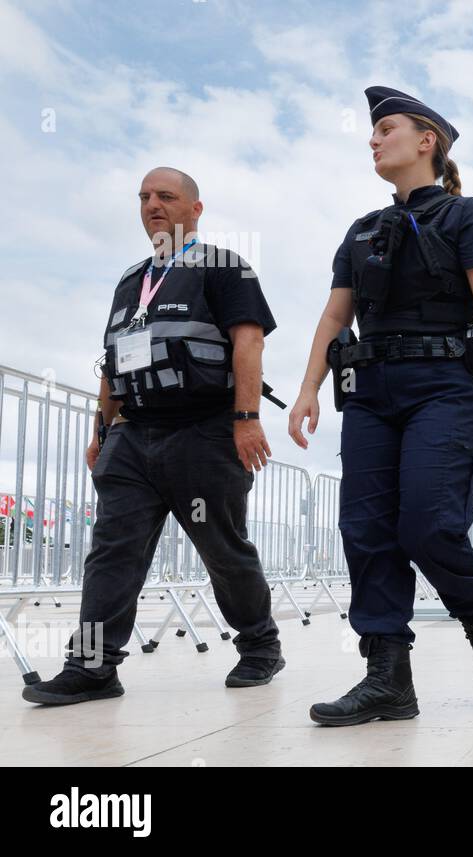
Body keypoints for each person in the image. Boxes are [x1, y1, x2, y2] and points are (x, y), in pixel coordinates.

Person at [289, 87, 473, 726]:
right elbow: (335, 315)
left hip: (442, 386)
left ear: (427, 142)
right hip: (368, 393)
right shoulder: (362, 230)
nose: (373, 139)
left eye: (385, 129)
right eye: (371, 132)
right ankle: (387, 677)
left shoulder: (464, 215)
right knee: (366, 533)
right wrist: (308, 388)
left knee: (427, 523)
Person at [24, 167, 285, 706]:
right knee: (112, 552)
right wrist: (102, 428)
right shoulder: (130, 279)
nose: (152, 205)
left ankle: (260, 645)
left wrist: (246, 418)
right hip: (134, 434)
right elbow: (114, 359)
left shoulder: (223, 266)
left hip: (205, 431)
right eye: (144, 197)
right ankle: (93, 666)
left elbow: (248, 342)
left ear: (195, 208)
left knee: (222, 548)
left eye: (166, 196)